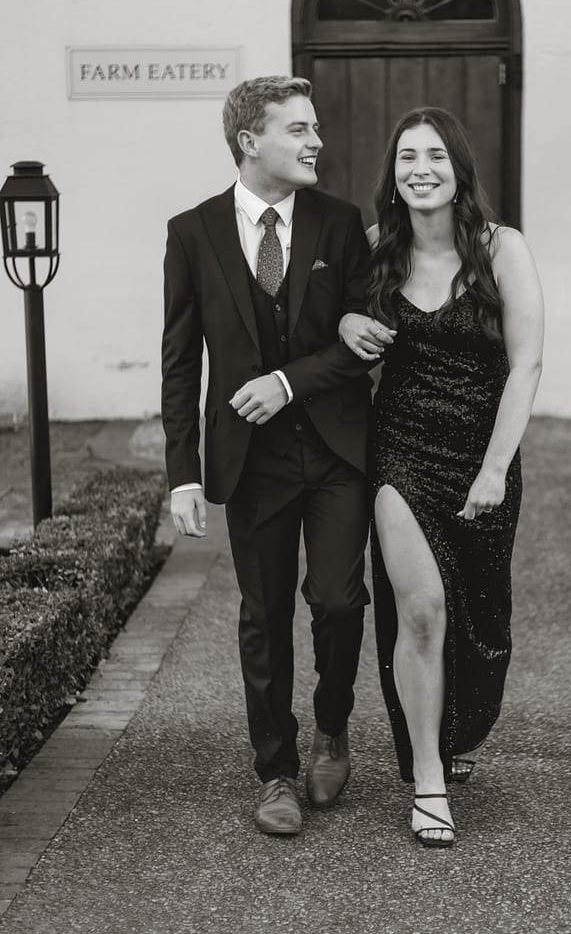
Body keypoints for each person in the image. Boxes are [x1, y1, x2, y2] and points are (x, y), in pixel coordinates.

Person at [161, 75, 374, 836]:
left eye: (315, 128)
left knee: (339, 601)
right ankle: (276, 771)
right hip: (251, 461)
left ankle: (332, 729)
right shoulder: (192, 232)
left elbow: (365, 339)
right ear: (250, 142)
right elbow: (180, 361)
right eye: (299, 129)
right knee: (265, 614)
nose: (317, 141)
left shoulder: (340, 223)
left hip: (337, 449)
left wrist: (286, 382)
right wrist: (182, 473)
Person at [339, 107, 544, 848]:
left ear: (459, 169)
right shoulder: (375, 250)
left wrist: (494, 467)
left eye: (434, 156)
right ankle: (427, 777)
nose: (420, 169)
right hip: (400, 450)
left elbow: (527, 363)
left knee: (479, 619)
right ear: (392, 174)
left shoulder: (501, 248)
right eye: (406, 157)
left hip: (482, 454)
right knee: (422, 610)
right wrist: (345, 324)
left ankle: (454, 731)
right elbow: (332, 325)